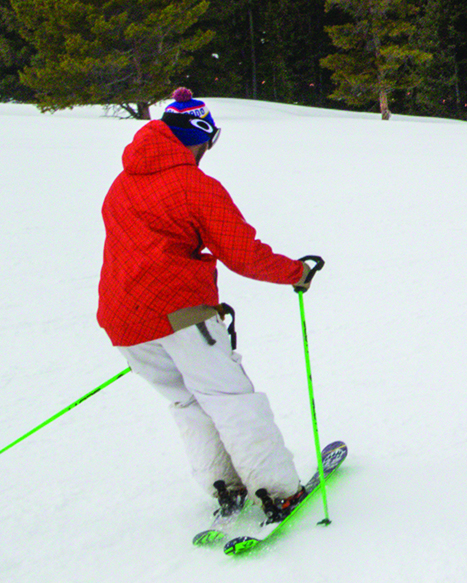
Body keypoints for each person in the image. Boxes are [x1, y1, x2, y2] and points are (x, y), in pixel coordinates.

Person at [99, 89, 324, 520]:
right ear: (199, 137)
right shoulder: (194, 185)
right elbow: (243, 254)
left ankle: (225, 485)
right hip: (179, 314)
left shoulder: (123, 182)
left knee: (187, 401)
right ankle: (277, 489)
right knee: (230, 397)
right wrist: (297, 272)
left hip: (123, 322)